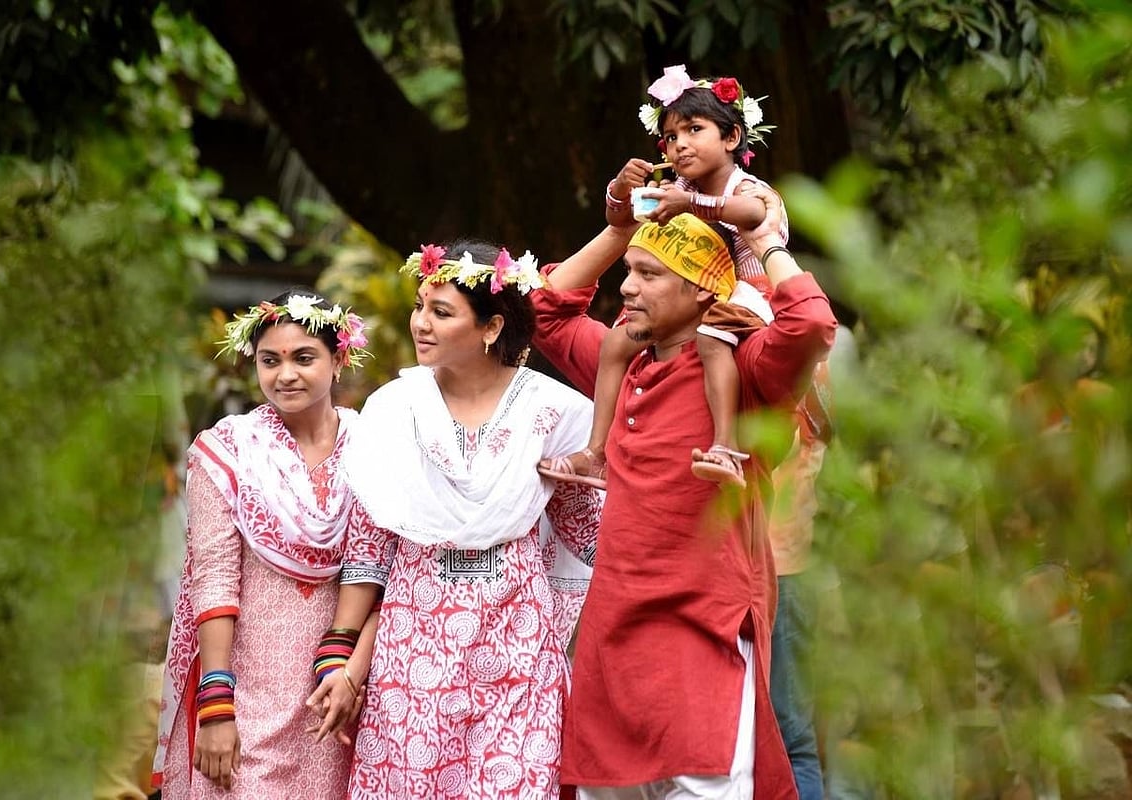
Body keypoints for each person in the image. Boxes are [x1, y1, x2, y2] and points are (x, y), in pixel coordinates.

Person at [532, 186, 836, 798]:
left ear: (702, 290)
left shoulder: (746, 368)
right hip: (614, 634)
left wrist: (760, 238)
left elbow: (810, 324)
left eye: (649, 274)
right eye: (628, 274)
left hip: (707, 626)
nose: (628, 288)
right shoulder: (625, 366)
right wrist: (622, 228)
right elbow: (548, 310)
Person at [305, 242, 605, 798]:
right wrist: (345, 661)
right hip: (412, 653)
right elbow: (372, 549)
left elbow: (592, 543)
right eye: (421, 305)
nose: (421, 322)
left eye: (441, 312)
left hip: (517, 652)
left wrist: (586, 475)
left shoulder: (552, 413)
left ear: (492, 327)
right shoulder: (396, 411)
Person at [153, 287, 372, 798]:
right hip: (243, 684)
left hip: (336, 685)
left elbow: (380, 570)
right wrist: (216, 705)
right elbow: (213, 575)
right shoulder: (226, 452)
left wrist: (349, 669)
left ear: (339, 359)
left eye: (303, 358)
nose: (285, 375)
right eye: (270, 360)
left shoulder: (373, 448)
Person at [538, 65, 785, 488]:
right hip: (684, 300)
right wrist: (619, 187)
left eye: (693, 130)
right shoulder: (673, 186)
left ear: (732, 138)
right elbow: (622, 220)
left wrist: (690, 202)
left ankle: (725, 446)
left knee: (712, 339)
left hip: (746, 297)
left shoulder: (746, 187)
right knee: (617, 341)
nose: (680, 145)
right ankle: (597, 453)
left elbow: (753, 216)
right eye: (671, 137)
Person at [768, 360, 834, 800]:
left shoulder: (792, 354)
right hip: (785, 562)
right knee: (793, 737)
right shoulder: (811, 357)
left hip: (780, 566)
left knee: (791, 737)